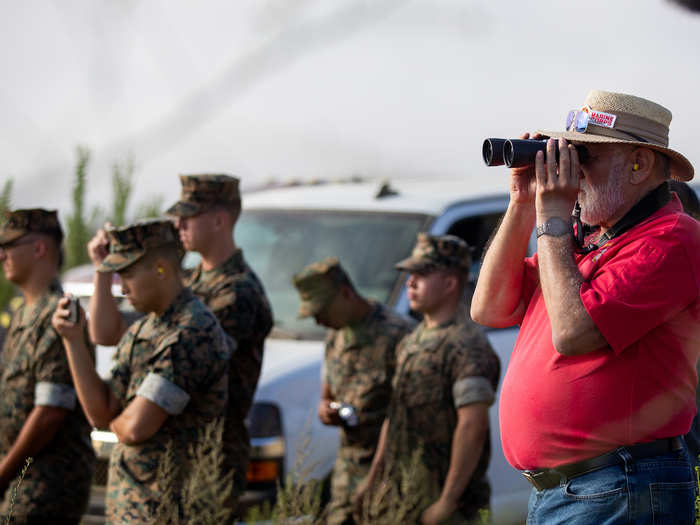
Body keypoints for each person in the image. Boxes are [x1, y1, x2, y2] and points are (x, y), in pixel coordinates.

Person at [471, 89, 700, 524]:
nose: (569, 173)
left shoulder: (673, 237)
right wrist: (522, 202)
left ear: (640, 164)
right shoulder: (585, 242)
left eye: (584, 157)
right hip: (577, 490)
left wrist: (552, 220)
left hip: (619, 485)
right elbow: (488, 308)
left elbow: (575, 333)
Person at [52, 219, 232, 523]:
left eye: (128, 275)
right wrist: (73, 341)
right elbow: (100, 413)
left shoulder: (191, 331)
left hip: (171, 512)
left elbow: (136, 428)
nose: (122, 286)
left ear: (161, 268)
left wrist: (117, 421)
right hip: (132, 511)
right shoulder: (145, 329)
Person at [354, 234, 500, 525]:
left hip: (448, 507)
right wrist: (372, 478)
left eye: (421, 274)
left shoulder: (466, 345)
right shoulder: (413, 340)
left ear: (449, 284)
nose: (410, 282)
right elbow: (394, 415)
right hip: (403, 497)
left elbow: (472, 425)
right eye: (410, 275)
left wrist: (447, 501)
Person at [166, 173, 273, 511]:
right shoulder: (189, 279)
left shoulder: (238, 291)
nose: (178, 224)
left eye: (188, 216)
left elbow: (188, 362)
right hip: (179, 445)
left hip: (212, 452)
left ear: (219, 220)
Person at [292, 257, 415, 525]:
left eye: (321, 310)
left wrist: (373, 481)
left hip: (390, 477)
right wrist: (326, 409)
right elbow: (328, 395)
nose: (318, 320)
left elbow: (404, 416)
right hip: (346, 476)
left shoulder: (398, 334)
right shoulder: (336, 336)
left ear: (346, 294)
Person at [0, 209, 94, 524]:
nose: (2, 256)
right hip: (19, 478)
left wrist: (4, 473)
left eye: (9, 246)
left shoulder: (59, 315)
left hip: (44, 484)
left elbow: (50, 411)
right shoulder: (24, 314)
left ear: (39, 249)